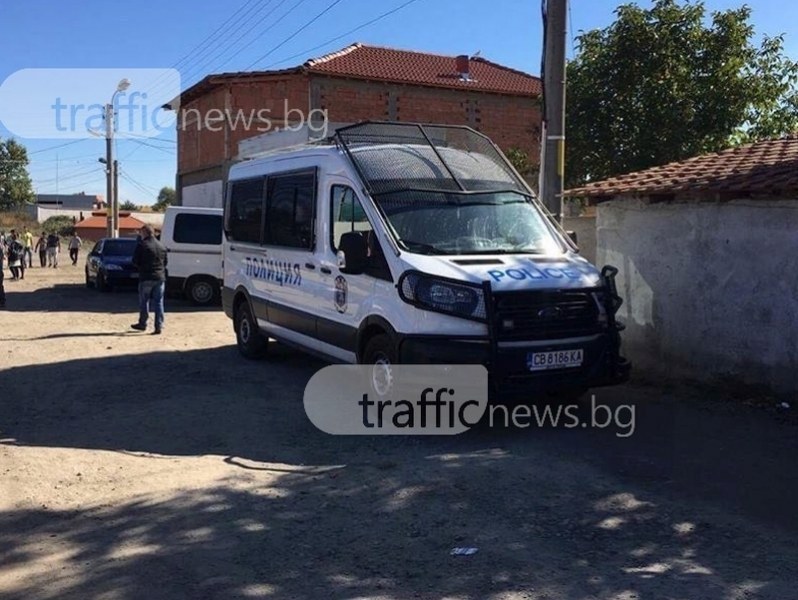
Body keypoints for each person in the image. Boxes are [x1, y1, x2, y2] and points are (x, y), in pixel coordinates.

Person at [131, 224, 168, 335]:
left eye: (141, 233)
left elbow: (135, 261)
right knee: (159, 302)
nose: (140, 235)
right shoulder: (162, 246)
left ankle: (143, 323)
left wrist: (141, 267)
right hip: (160, 277)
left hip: (146, 277)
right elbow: (165, 263)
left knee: (144, 301)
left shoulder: (142, 245)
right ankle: (159, 325)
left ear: (145, 232)